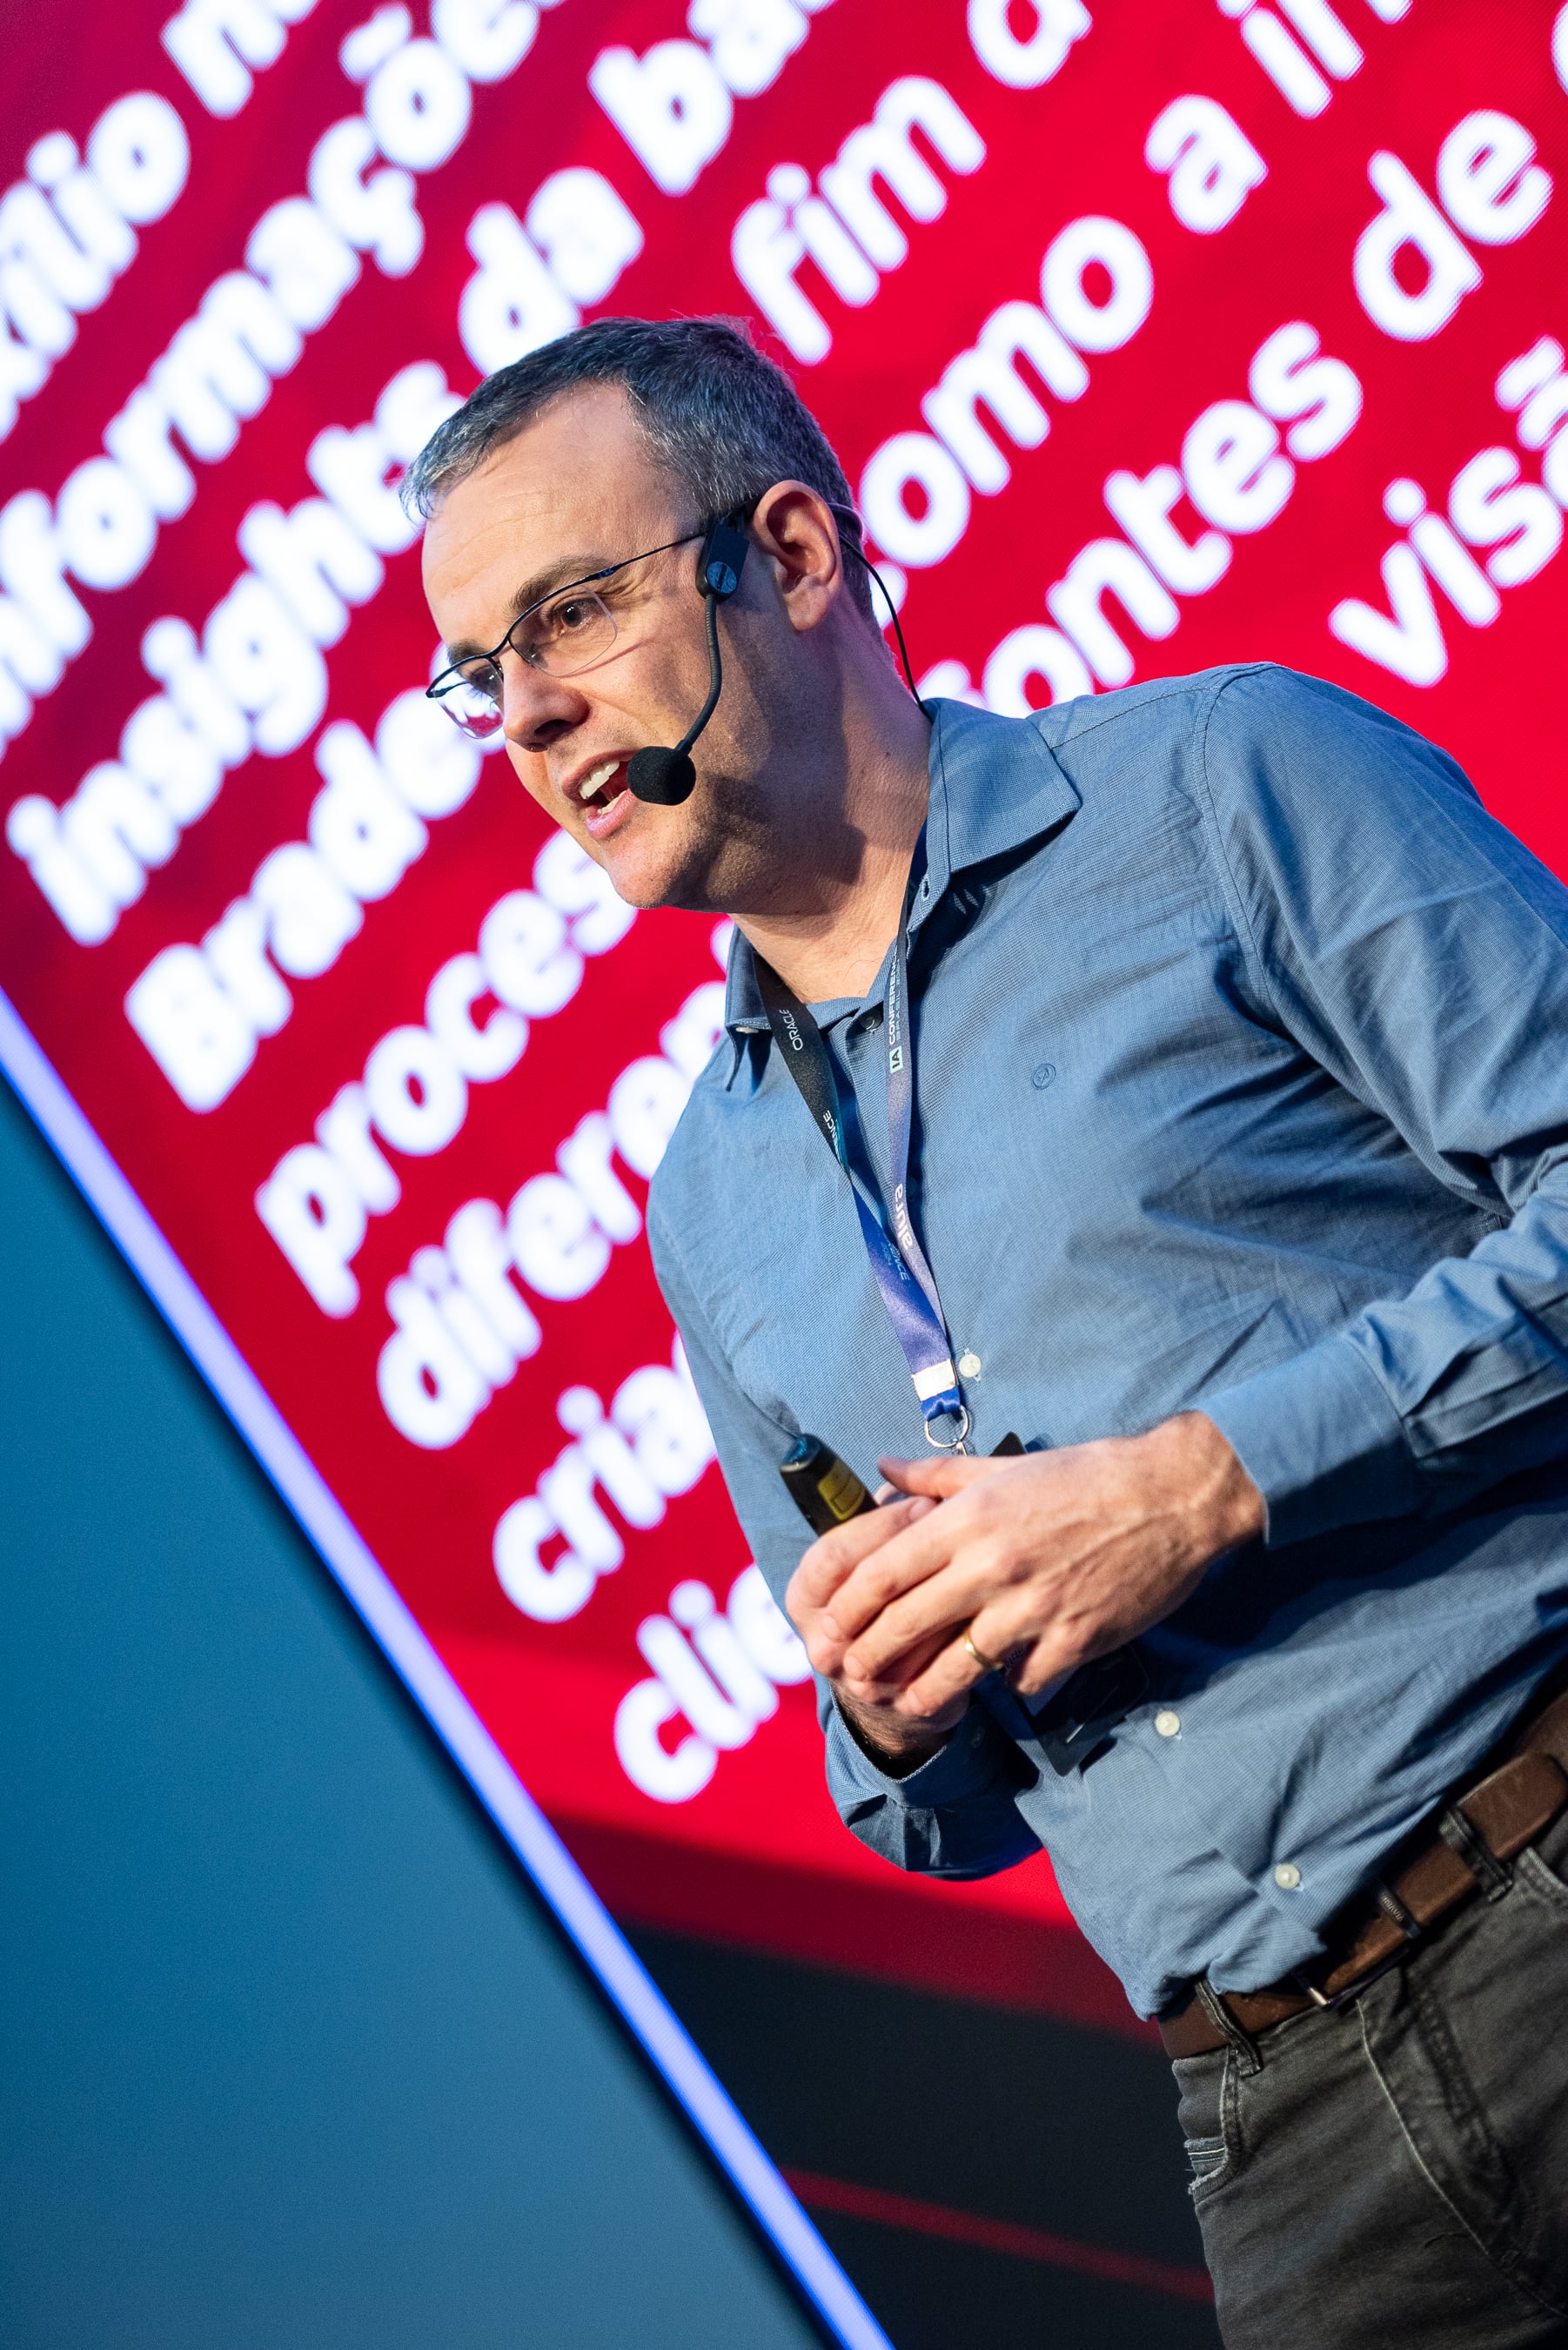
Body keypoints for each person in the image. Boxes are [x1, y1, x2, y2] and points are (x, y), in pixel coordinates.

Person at [408, 315, 1568, 2346]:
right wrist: (886, 1707)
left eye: (570, 611)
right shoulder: (714, 1202)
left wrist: (1211, 1484)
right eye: (479, 674)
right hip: (1282, 2137)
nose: (529, 714)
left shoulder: (1223, 785)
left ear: (785, 554)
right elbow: (917, 1813)